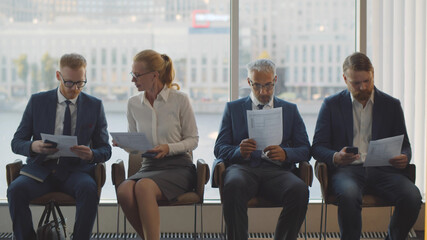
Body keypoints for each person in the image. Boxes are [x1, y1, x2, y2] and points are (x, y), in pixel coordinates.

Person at [311, 52, 421, 240]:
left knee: (412, 197)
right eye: (356, 83)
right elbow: (317, 147)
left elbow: (405, 146)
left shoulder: (391, 105)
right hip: (347, 171)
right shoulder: (331, 105)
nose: (363, 87)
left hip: (384, 171)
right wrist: (335, 156)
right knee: (348, 195)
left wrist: (404, 157)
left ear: (372, 75)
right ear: (345, 79)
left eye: (367, 81)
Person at [7, 53, 112, 240]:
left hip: (76, 172)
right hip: (40, 170)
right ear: (58, 76)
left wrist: (91, 155)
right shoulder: (37, 102)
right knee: (16, 190)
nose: (75, 88)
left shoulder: (94, 106)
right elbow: (17, 142)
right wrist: (34, 146)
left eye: (80, 83)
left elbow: (105, 149)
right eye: (69, 83)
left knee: (89, 190)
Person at [214, 59, 310, 240]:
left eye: (268, 85)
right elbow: (219, 148)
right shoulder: (233, 109)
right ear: (249, 82)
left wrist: (286, 154)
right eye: (257, 86)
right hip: (243, 169)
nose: (263, 92)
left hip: (277, 171)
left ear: (275, 80)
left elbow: (305, 149)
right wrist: (238, 151)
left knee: (299, 190)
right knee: (233, 185)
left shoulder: (290, 109)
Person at [115, 49, 198, 240]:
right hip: (148, 166)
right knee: (124, 191)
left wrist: (168, 148)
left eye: (137, 75)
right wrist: (124, 143)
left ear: (155, 75)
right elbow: (135, 146)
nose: (133, 80)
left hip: (178, 166)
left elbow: (193, 140)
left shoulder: (180, 100)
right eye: (132, 75)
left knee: (143, 187)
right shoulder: (133, 103)